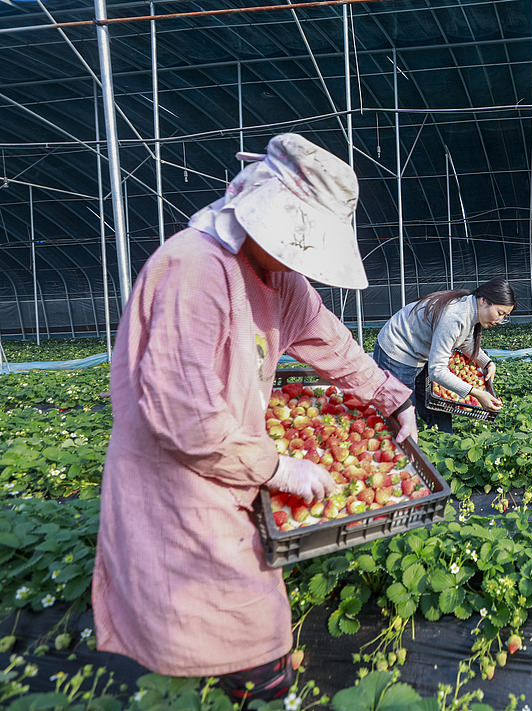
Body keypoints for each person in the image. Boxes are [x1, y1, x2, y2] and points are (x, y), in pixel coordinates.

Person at [91, 133, 416, 705]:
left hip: (233, 457)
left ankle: (232, 685)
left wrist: (393, 397)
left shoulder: (279, 278)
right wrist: (277, 466)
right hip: (178, 477)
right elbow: (185, 416)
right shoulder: (196, 270)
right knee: (231, 616)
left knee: (227, 617)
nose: (300, 255)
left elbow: (331, 343)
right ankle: (248, 690)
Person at [372, 278, 515, 433]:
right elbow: (437, 371)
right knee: (403, 412)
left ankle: (443, 442)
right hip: (397, 350)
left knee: (437, 408)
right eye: (499, 313)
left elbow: (464, 341)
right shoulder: (454, 316)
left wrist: (486, 363)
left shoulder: (469, 308)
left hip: (421, 353)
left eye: (504, 316)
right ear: (483, 300)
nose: (500, 320)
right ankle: (405, 450)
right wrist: (477, 393)